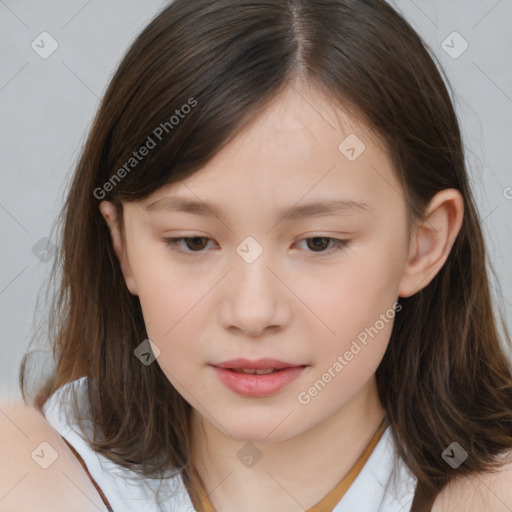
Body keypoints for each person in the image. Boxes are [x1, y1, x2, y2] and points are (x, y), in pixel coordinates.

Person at [2, 0, 512, 510]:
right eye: (193, 241)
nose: (252, 312)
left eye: (318, 242)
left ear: (423, 246)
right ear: (123, 247)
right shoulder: (29, 478)